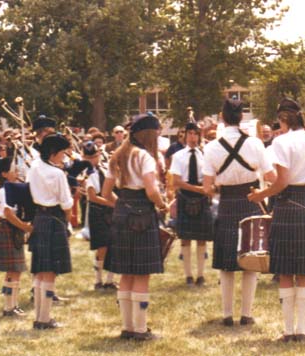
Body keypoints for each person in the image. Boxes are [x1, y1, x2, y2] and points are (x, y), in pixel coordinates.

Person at [248, 98, 305, 342]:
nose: (277, 127)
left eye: (279, 121)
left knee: (286, 271)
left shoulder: (281, 142)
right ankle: (301, 331)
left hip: (287, 206)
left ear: (286, 118)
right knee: (304, 271)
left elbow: (281, 182)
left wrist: (260, 194)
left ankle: (289, 330)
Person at [202, 99, 275, 327]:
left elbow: (207, 187)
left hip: (226, 204)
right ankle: (246, 314)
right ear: (241, 116)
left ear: (222, 118)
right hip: (251, 201)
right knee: (250, 260)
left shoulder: (212, 147)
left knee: (227, 263)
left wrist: (220, 187)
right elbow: (271, 177)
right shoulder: (255, 144)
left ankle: (226, 315)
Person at [102, 113, 168, 341]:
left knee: (126, 274)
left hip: (122, 213)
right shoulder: (145, 157)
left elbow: (105, 192)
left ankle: (127, 328)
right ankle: (140, 330)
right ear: (149, 134)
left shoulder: (117, 155)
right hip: (142, 214)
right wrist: (162, 204)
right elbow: (151, 190)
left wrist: (121, 205)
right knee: (141, 274)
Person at [27, 134, 74, 330]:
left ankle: (40, 317)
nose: (65, 157)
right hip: (55, 218)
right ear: (53, 153)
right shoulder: (57, 174)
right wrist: (68, 222)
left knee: (39, 270)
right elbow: (67, 203)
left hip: (39, 217)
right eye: (63, 153)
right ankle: (44, 319)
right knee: (50, 271)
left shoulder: (35, 167)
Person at [170, 122, 213, 286]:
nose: (192, 137)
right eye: (190, 134)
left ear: (199, 136)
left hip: (202, 199)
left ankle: (200, 275)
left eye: (195, 134)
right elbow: (176, 181)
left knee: (202, 238)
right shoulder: (179, 156)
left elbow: (211, 176)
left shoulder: (205, 155)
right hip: (186, 197)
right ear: (185, 136)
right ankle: (188, 275)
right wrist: (199, 190)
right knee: (185, 238)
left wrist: (207, 189)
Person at [0, 158, 33, 317]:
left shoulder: (12, 189)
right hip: (8, 229)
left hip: (13, 230)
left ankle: (13, 305)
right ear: (4, 174)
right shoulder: (4, 191)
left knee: (16, 270)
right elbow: (7, 213)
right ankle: (9, 308)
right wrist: (26, 227)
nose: (16, 172)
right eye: (13, 170)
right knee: (13, 270)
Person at [82, 142, 116, 290]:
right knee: (102, 246)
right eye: (89, 157)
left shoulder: (103, 168)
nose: (93, 160)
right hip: (98, 212)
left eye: (95, 156)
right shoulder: (87, 173)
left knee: (113, 245)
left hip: (109, 210)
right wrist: (112, 204)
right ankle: (98, 281)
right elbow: (92, 197)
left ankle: (109, 280)